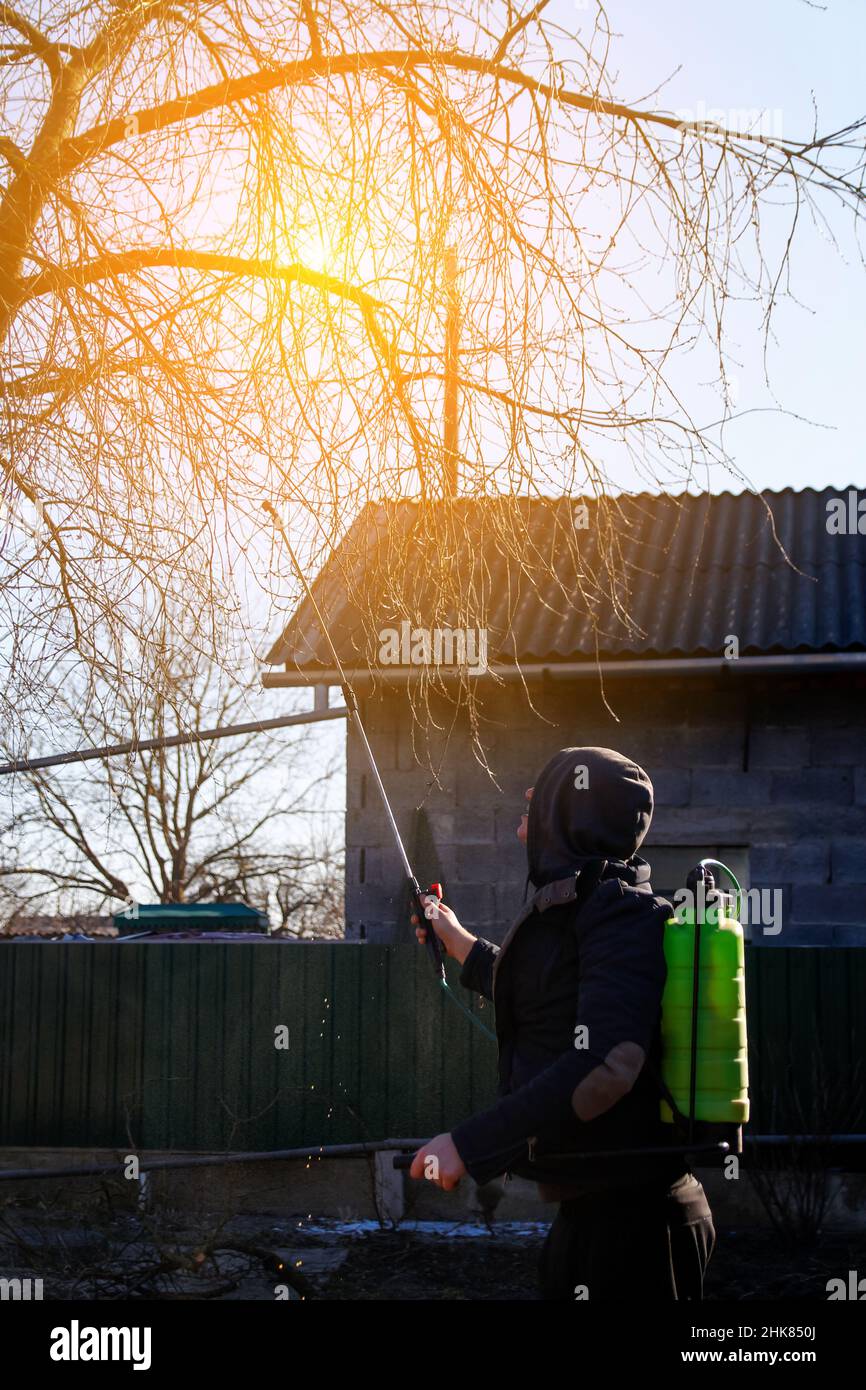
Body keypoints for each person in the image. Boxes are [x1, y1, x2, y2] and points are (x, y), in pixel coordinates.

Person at [409, 746, 715, 1301]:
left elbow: (606, 1063)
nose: (528, 796)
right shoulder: (584, 907)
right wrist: (454, 938)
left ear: (575, 814)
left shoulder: (624, 913)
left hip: (639, 1230)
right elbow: (546, 997)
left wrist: (470, 1144)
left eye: (543, 787)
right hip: (593, 1218)